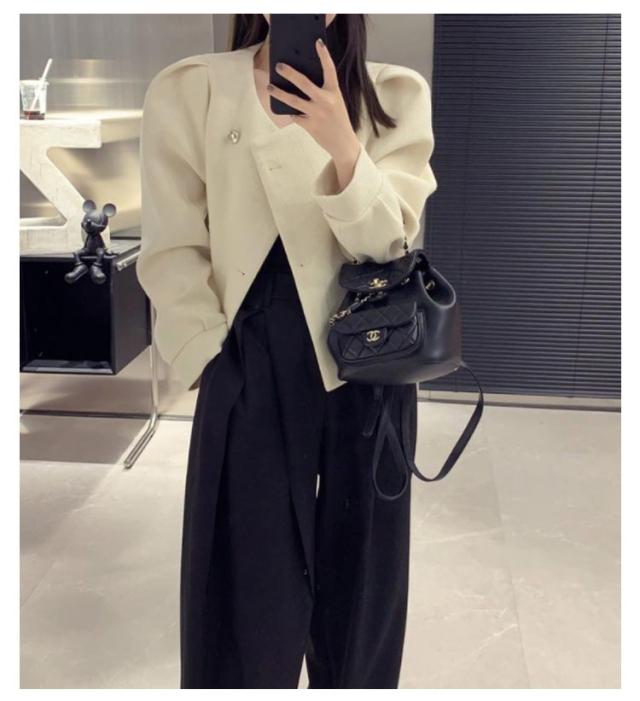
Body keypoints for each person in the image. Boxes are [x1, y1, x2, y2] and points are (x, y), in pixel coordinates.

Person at [137, 13, 437, 689]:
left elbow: (391, 245)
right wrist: (209, 358)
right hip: (247, 357)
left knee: (362, 590)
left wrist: (342, 143)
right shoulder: (191, 89)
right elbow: (172, 246)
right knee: (243, 593)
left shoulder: (394, 95)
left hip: (367, 360)